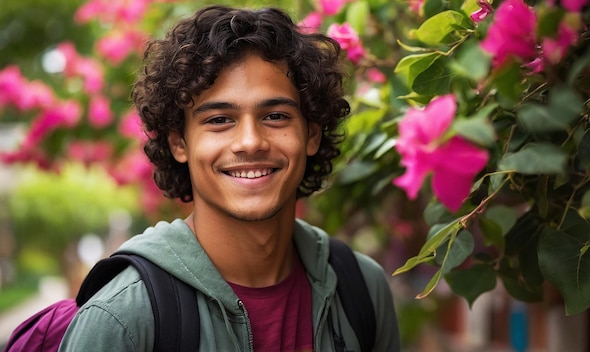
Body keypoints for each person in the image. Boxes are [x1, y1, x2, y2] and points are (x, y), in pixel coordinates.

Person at [59, 4, 400, 352]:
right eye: (219, 120)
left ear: (311, 134)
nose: (250, 141)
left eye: (276, 116)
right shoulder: (124, 317)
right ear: (179, 142)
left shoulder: (361, 289)